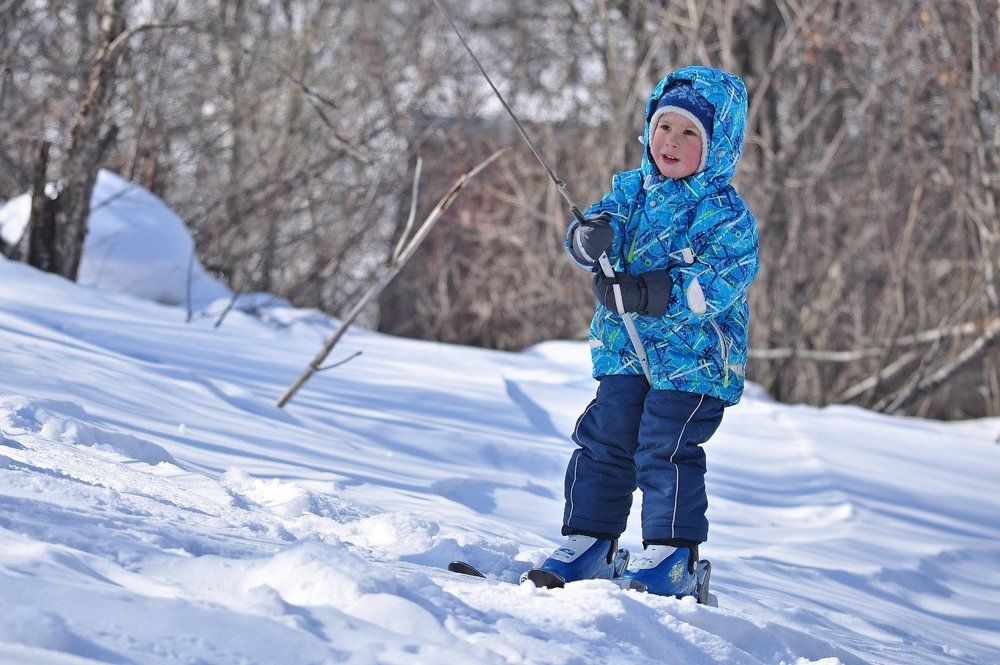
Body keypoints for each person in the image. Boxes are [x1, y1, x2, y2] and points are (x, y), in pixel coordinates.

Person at [536, 66, 759, 597]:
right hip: (626, 355)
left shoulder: (725, 215)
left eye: (690, 134)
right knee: (605, 439)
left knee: (665, 447)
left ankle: (672, 554)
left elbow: (715, 286)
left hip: (695, 363)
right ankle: (590, 540)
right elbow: (590, 228)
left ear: (716, 145)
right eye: (664, 128)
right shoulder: (629, 192)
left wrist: (647, 293)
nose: (672, 143)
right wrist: (588, 239)